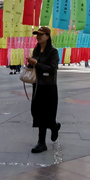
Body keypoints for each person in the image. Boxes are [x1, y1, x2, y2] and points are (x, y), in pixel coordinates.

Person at [27, 26, 61, 154]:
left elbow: (52, 68)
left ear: (47, 36)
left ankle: (43, 140)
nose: (38, 37)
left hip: (49, 87)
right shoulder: (36, 50)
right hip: (37, 86)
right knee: (37, 112)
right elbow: (34, 67)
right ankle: (52, 129)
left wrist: (37, 64)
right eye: (37, 34)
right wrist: (30, 63)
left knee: (48, 114)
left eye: (41, 34)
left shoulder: (53, 52)